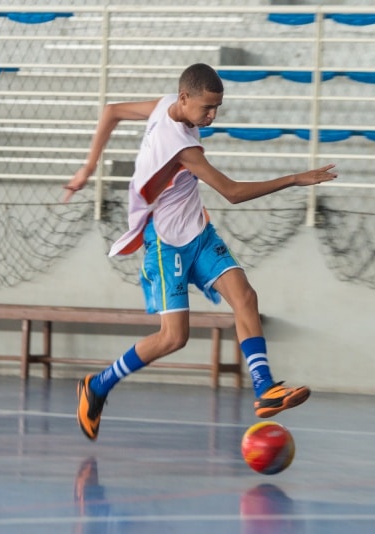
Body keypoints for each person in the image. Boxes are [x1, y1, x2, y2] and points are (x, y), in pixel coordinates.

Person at [63, 63, 337, 441]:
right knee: (174, 337)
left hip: (198, 231)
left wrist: (87, 167)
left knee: (245, 297)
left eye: (217, 108)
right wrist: (294, 178)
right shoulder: (182, 145)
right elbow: (233, 193)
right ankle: (97, 385)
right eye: (206, 108)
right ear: (185, 98)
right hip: (165, 241)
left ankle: (265, 390)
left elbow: (111, 111)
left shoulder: (163, 106)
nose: (212, 116)